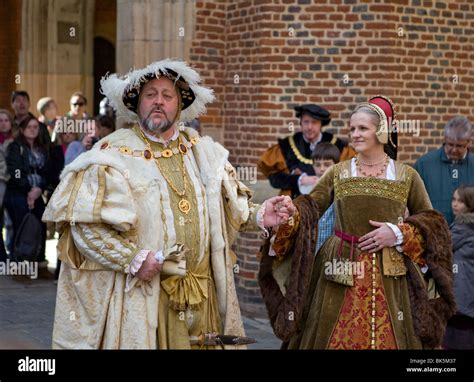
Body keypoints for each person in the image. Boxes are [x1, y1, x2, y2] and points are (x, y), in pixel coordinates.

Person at [42, 59, 291, 349]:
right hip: (145, 296)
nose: (158, 102)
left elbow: (231, 209)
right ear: (137, 104)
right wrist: (132, 259)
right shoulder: (110, 155)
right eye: (150, 95)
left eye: (167, 95)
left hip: (203, 294)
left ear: (180, 104)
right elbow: (83, 227)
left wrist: (261, 214)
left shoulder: (203, 152)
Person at [259, 95, 456, 349]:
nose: (355, 134)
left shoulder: (406, 175)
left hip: (391, 273)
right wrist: (291, 211)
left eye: (363, 128)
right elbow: (311, 206)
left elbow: (432, 224)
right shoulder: (339, 171)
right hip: (338, 268)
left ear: (381, 132)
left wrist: (397, 232)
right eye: (352, 129)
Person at [257, 104, 356, 198]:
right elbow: (274, 179)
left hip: (329, 200)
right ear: (300, 123)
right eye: (306, 122)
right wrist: (299, 180)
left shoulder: (339, 146)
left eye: (314, 122)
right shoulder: (285, 146)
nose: (309, 127)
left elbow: (350, 176)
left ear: (321, 124)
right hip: (292, 201)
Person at [4, 116, 52, 278]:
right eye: (29, 127)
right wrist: (28, 190)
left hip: (37, 192)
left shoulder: (41, 148)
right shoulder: (15, 147)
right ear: (23, 129)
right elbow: (16, 172)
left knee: (41, 224)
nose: (33, 129)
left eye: (35, 127)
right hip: (17, 193)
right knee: (21, 227)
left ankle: (40, 264)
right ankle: (19, 266)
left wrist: (39, 189)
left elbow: (46, 172)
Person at [414, 116, 474, 225]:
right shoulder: (424, 165)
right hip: (433, 234)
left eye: (460, 146)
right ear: (444, 139)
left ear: (468, 142)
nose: (454, 150)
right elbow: (413, 203)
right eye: (450, 144)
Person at [443, 185, 474, 349]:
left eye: (460, 201)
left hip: (462, 296)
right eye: (453, 199)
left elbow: (439, 247)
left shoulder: (463, 228)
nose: (455, 204)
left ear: (470, 203)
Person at [297, 143, 340, 253]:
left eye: (327, 165)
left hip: (332, 244)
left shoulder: (340, 188)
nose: (321, 169)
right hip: (311, 243)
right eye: (317, 165)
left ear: (336, 165)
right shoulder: (307, 189)